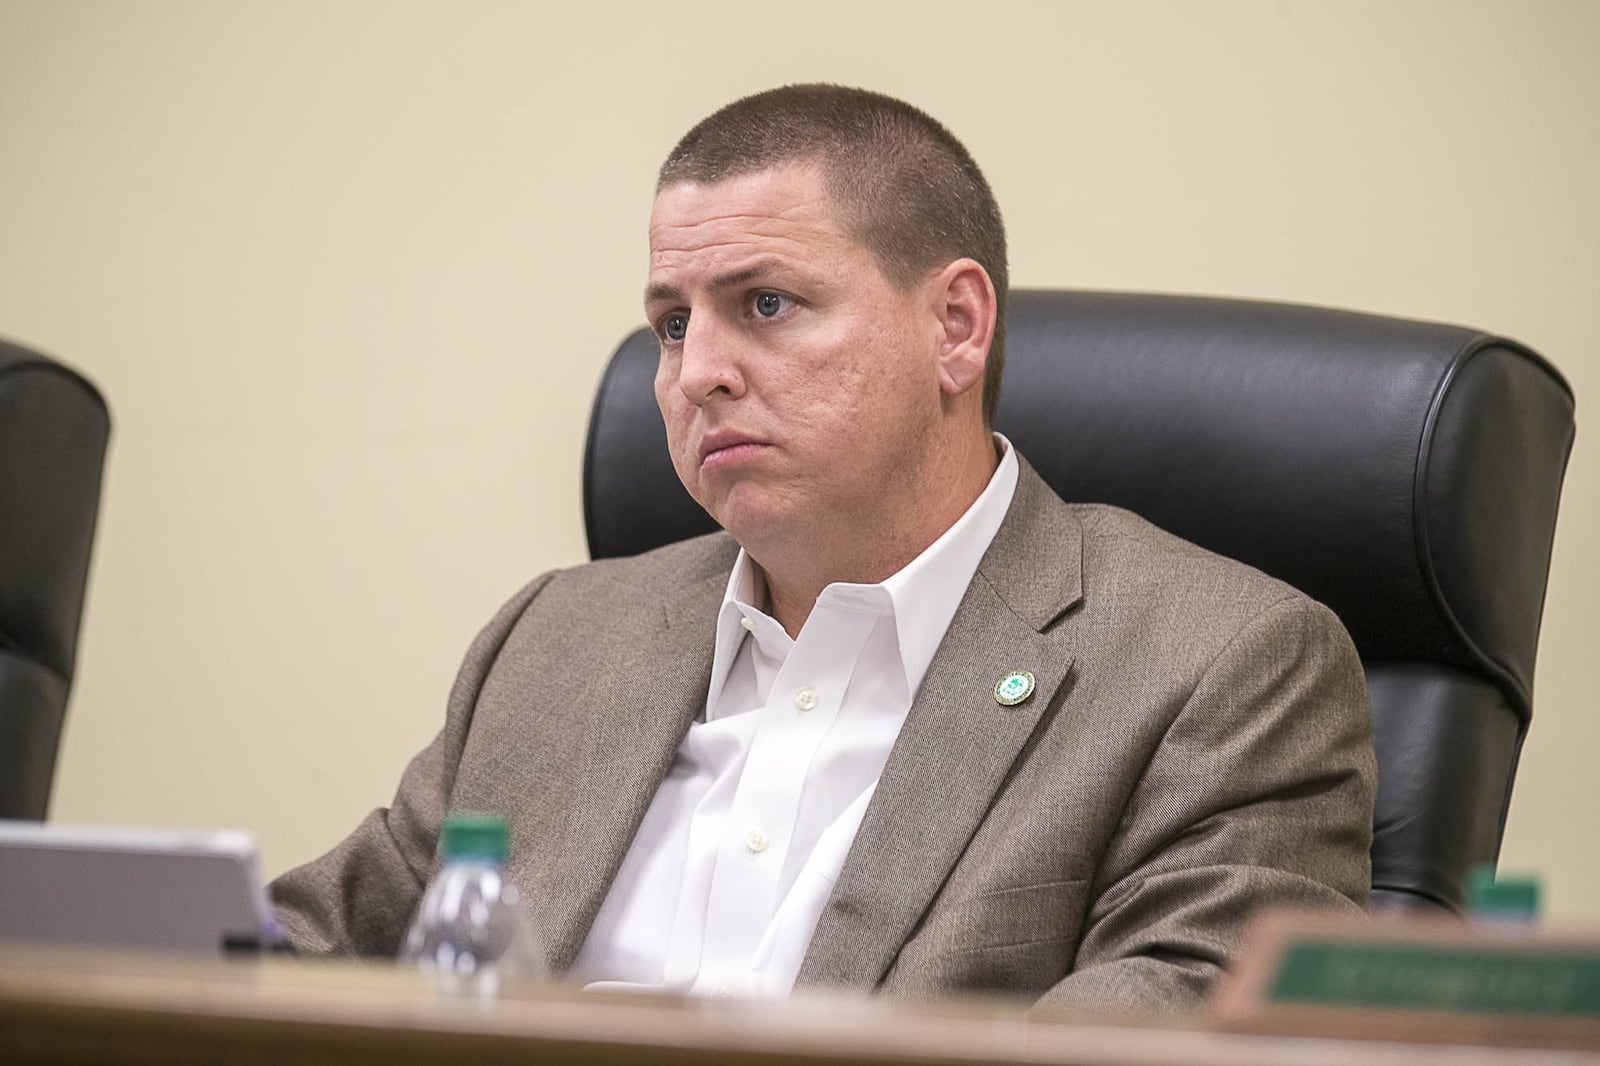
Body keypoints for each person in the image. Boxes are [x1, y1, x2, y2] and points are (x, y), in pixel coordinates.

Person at [270, 84, 1375, 1014]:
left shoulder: (1222, 663)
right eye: (670, 322)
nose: (697, 370)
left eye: (765, 303)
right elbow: (299, 954)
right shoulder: (556, 639)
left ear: (954, 327)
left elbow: (1185, 1024)